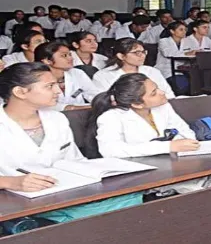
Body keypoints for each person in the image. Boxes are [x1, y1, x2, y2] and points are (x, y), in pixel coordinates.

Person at [0, 63, 142, 222]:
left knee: (131, 201)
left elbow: (74, 161)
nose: (58, 91)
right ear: (20, 92)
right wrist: (11, 182)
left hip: (63, 195)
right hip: (16, 203)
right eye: (50, 86)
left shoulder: (57, 119)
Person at [86, 73, 199, 159]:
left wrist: (181, 143)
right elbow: (110, 150)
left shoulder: (164, 107)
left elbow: (186, 132)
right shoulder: (111, 117)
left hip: (170, 161)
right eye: (154, 93)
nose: (162, 92)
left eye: (157, 87)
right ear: (137, 104)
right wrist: (166, 147)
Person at [93, 38, 175, 99]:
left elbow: (169, 95)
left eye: (143, 52)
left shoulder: (152, 71)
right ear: (121, 56)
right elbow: (103, 102)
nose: (142, 56)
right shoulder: (103, 75)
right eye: (137, 53)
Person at [35, 40, 99, 111]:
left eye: (70, 54)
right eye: (64, 55)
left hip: (81, 115)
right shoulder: (36, 79)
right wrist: (74, 108)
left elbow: (94, 94)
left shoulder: (77, 73)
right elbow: (44, 105)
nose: (70, 58)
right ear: (47, 61)